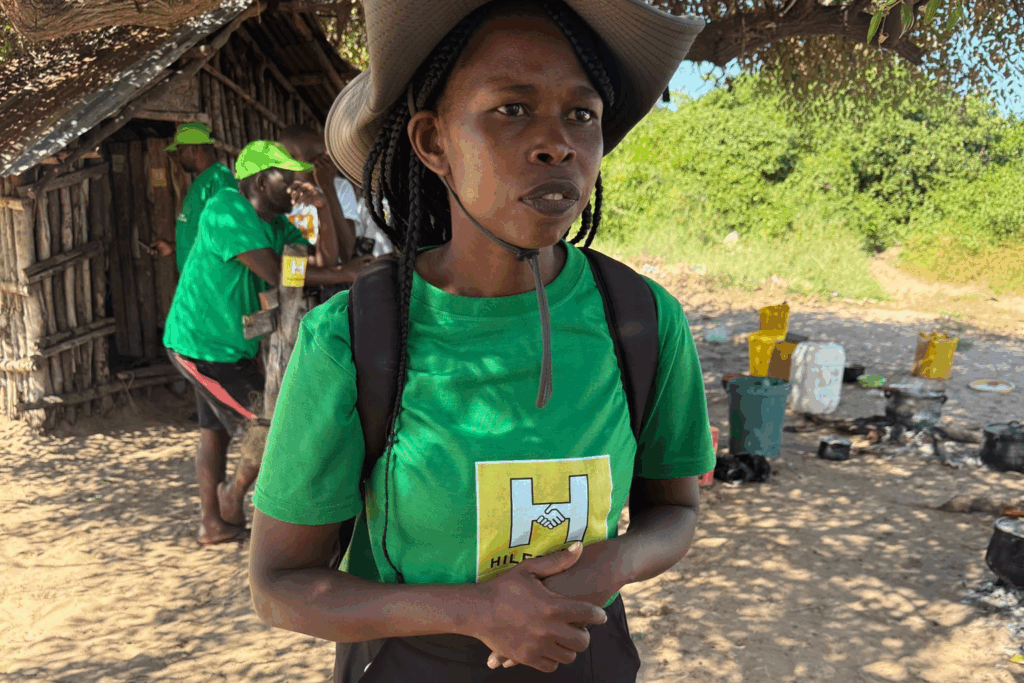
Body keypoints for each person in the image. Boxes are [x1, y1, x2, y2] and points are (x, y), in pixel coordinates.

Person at [249, 1, 713, 681]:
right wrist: (475, 609)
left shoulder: (642, 319)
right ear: (434, 142)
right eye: (512, 109)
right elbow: (279, 585)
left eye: (581, 114)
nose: (557, 142)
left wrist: (602, 569)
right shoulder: (354, 340)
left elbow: (675, 511)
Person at [163, 140, 373, 547]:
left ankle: (213, 521)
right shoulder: (228, 208)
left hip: (227, 346)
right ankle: (234, 499)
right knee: (270, 422)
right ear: (262, 180)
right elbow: (276, 273)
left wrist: (324, 207)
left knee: (214, 432)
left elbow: (322, 259)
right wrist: (344, 275)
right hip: (201, 347)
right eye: (288, 178)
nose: (296, 185)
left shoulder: (275, 225)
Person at [151, 121, 237, 275]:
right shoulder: (203, 180)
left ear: (193, 149)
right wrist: (174, 247)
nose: (177, 157)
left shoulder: (218, 178)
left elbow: (224, 234)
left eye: (179, 151)